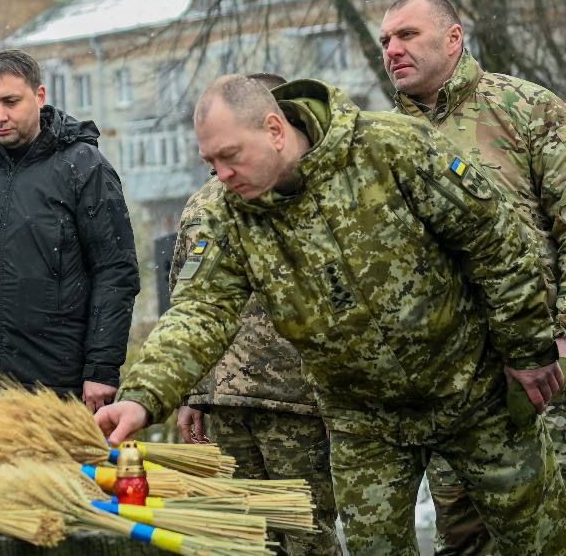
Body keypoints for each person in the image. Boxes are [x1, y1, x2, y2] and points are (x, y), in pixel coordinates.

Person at [95, 75, 566, 553]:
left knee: (539, 539)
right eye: (210, 162)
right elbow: (200, 312)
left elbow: (494, 242)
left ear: (275, 129)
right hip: (364, 418)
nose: (222, 174)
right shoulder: (226, 215)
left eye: (230, 155)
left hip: (473, 389)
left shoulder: (391, 148)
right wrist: (142, 396)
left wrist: (527, 349)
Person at [380, 0, 566, 555]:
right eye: (385, 40)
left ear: (453, 38)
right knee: (465, 538)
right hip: (450, 387)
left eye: (407, 35)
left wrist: (560, 334)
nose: (392, 49)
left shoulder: (526, 108)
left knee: (551, 529)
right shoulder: (381, 140)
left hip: (542, 371)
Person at [172, 75, 338, 556]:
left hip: (295, 400)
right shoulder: (204, 205)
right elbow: (189, 304)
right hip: (226, 400)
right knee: (243, 535)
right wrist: (192, 393)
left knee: (307, 531)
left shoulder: (310, 196)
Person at [0, 49, 140, 411]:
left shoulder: (84, 167)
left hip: (58, 385)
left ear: (39, 96)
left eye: (11, 102)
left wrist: (102, 368)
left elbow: (115, 272)